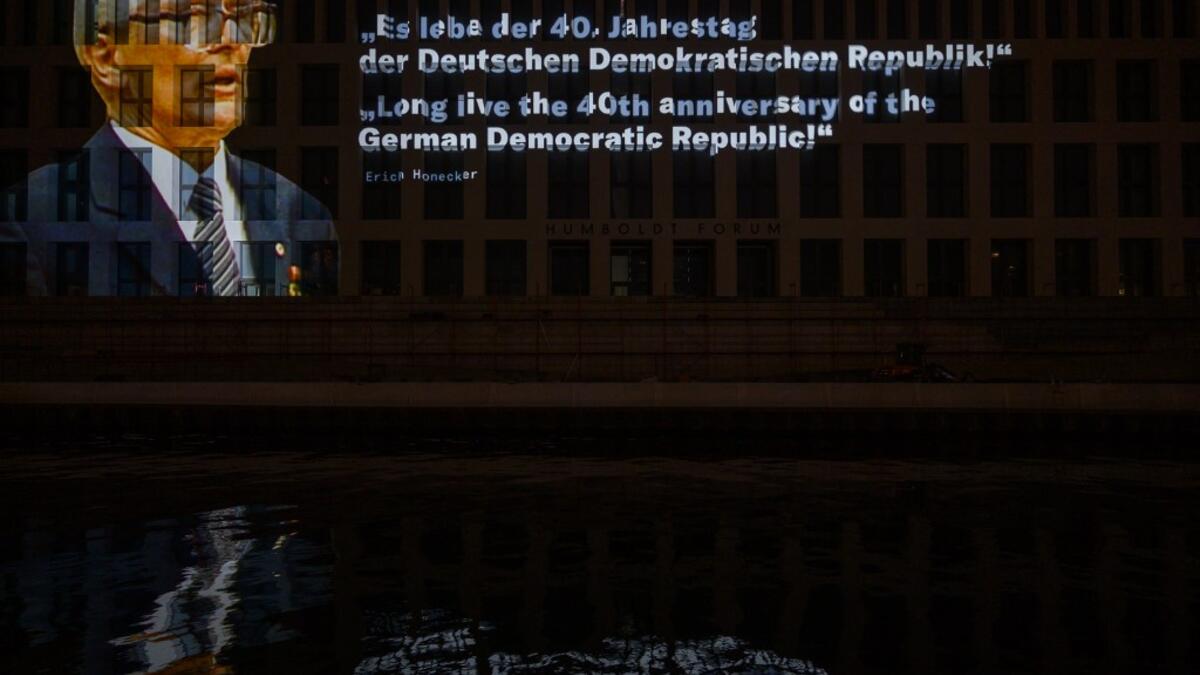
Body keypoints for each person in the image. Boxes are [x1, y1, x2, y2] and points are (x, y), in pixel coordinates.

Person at [0, 0, 337, 296]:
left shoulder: (300, 214)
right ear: (106, 56)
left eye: (245, 15)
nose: (232, 40)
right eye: (192, 17)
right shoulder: (32, 220)